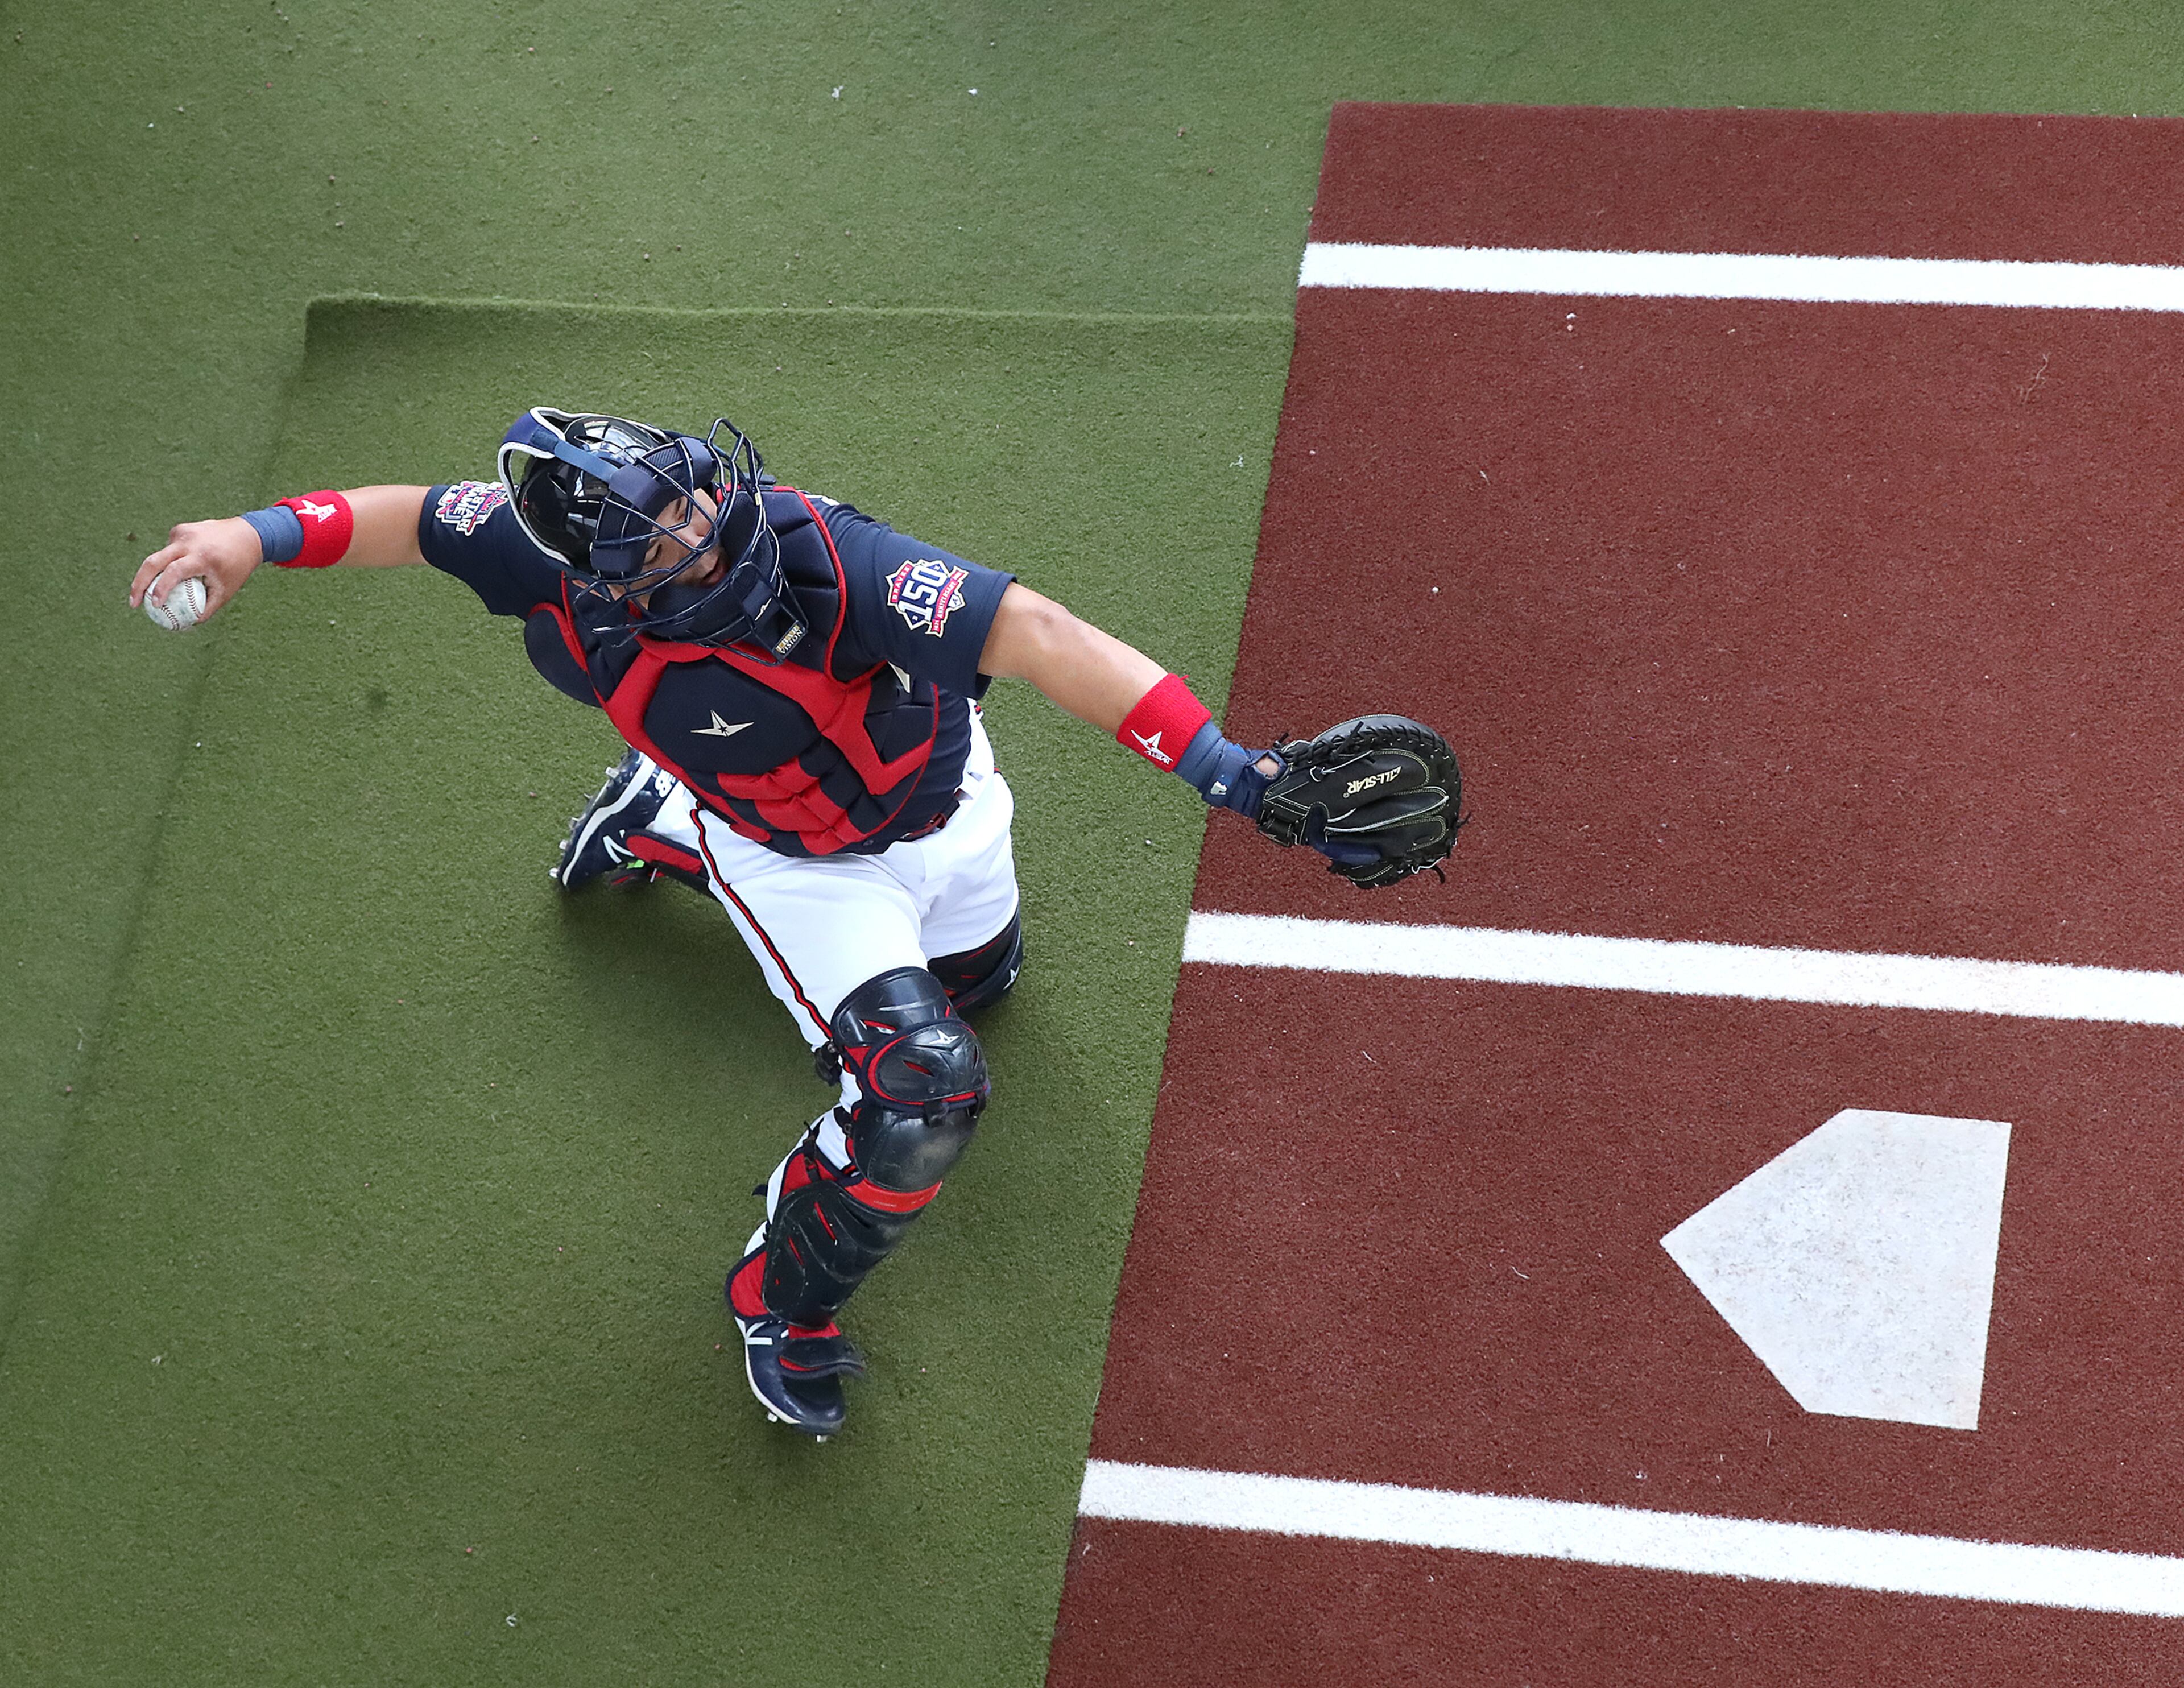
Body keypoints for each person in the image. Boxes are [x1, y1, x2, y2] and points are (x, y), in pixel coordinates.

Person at [129, 408, 1458, 1438]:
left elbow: (1042, 634)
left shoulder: (838, 559)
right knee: (922, 1090)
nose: (711, 529)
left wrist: (1234, 772)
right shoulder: (547, 569)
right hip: (795, 865)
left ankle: (646, 816)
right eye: (667, 537)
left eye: (700, 496)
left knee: (986, 983)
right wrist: (252, 537)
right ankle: (780, 1298)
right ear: (603, 576)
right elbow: (414, 516)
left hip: (945, 815)